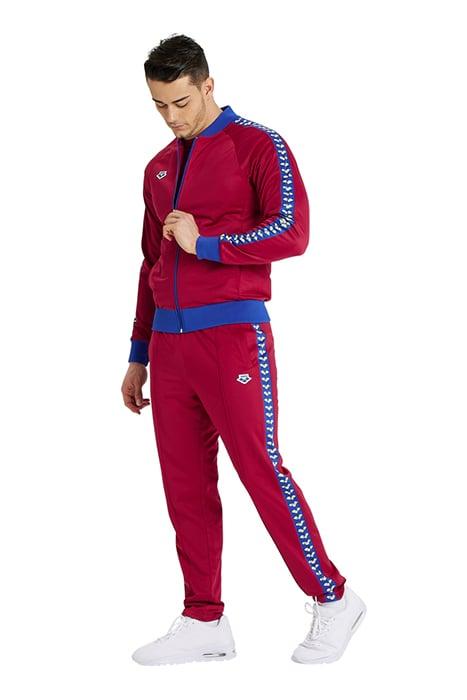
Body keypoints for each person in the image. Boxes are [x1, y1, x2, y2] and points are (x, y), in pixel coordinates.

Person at [121, 33, 366, 666]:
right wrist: (138, 352)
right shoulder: (157, 168)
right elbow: (150, 263)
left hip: (232, 336)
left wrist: (206, 244)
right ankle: (204, 619)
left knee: (260, 467)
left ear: (207, 84)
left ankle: (333, 597)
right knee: (185, 483)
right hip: (169, 348)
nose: (171, 116)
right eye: (159, 105)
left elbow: (292, 231)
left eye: (180, 101)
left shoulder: (258, 145)